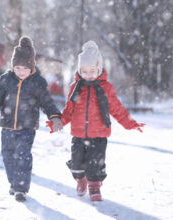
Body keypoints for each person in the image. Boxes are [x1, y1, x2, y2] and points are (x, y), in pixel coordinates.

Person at [61, 41, 145, 201]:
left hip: (99, 134)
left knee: (95, 163)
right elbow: (69, 109)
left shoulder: (105, 87)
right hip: (78, 134)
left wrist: (130, 123)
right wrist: (58, 122)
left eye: (92, 70)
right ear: (79, 70)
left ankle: (94, 187)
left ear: (99, 69)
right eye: (84, 71)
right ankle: (81, 180)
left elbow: (117, 108)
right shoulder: (75, 87)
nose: (88, 74)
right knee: (77, 163)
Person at [0, 36, 63, 202]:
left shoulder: (38, 82)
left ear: (31, 67)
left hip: (27, 128)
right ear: (13, 65)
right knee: (7, 155)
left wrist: (54, 117)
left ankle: (20, 188)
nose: (20, 71)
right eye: (17, 67)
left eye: (24, 68)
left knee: (22, 155)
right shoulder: (5, 79)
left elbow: (47, 102)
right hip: (7, 126)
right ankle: (13, 182)